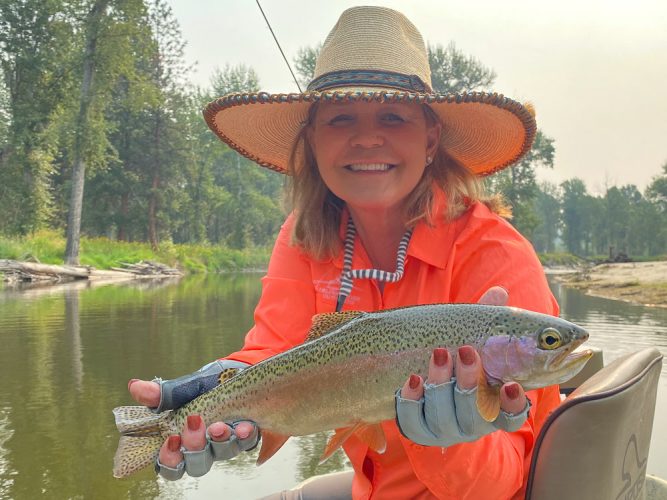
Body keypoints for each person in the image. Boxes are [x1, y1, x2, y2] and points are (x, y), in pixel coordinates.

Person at [127, 6, 561, 499]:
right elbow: (274, 352)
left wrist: (453, 441)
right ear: (313, 141)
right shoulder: (304, 235)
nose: (367, 137)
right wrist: (227, 385)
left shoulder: (496, 255)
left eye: (393, 116)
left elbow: (508, 480)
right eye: (340, 118)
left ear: (431, 138)